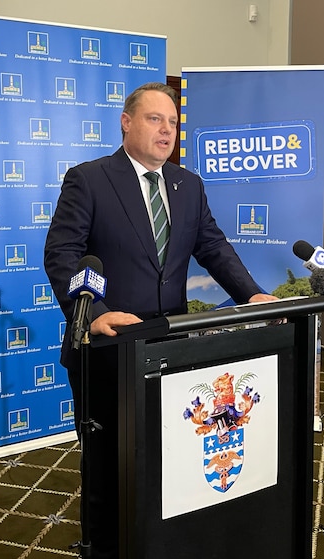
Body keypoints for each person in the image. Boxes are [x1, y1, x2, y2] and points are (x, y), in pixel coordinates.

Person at [44, 82, 276, 558]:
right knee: (109, 460)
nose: (166, 130)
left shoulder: (187, 184)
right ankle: (103, 545)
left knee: (166, 452)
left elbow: (212, 247)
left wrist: (251, 293)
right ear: (127, 122)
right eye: (155, 119)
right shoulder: (89, 179)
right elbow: (61, 255)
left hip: (171, 347)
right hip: (108, 347)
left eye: (172, 122)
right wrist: (94, 315)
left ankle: (156, 537)